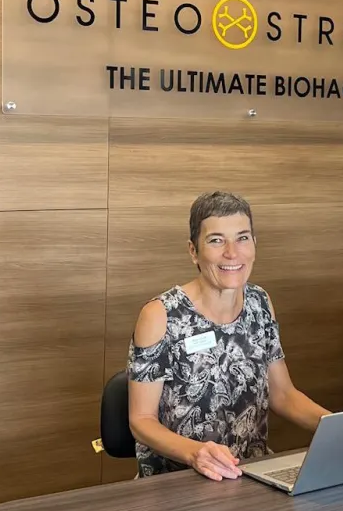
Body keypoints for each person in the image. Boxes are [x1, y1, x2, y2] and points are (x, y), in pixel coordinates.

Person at [128, 191, 330, 480]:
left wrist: (338, 426)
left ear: (254, 244)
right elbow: (141, 420)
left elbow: (283, 394)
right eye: (216, 240)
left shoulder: (260, 303)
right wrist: (195, 453)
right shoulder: (160, 315)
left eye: (242, 238)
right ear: (193, 251)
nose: (232, 253)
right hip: (178, 481)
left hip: (251, 475)